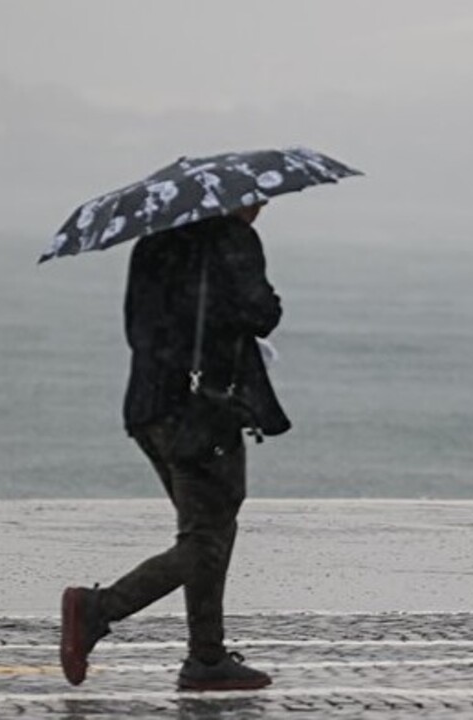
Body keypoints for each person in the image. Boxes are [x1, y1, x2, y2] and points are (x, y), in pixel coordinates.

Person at [59, 204, 290, 690]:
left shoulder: (154, 242)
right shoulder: (231, 240)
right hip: (203, 411)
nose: (261, 207)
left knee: (205, 528)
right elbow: (260, 313)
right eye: (256, 199)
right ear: (231, 201)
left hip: (148, 405)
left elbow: (136, 328)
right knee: (207, 537)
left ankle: (206, 659)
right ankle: (96, 608)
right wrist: (264, 301)